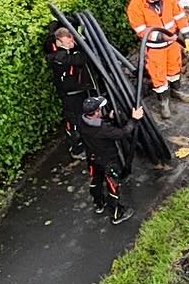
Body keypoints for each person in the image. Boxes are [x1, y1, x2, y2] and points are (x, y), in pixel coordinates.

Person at [126, 0, 189, 120]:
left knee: (174, 68)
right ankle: (164, 102)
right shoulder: (135, 6)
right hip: (155, 48)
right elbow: (141, 31)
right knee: (158, 76)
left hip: (172, 44)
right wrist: (163, 37)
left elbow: (180, 16)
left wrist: (187, 36)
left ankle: (176, 91)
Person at [77, 95, 143, 224]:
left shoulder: (81, 120)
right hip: (108, 162)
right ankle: (117, 214)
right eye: (100, 109)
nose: (101, 110)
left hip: (92, 159)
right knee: (113, 186)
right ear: (96, 112)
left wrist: (107, 118)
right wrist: (134, 119)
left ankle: (99, 204)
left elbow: (95, 123)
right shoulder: (103, 130)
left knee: (96, 181)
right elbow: (123, 133)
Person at [46, 25, 90, 159]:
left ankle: (87, 143)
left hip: (80, 91)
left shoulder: (70, 51)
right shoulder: (58, 57)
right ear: (59, 42)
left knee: (85, 118)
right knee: (74, 121)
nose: (72, 41)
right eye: (68, 39)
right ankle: (76, 149)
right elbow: (78, 59)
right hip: (69, 95)